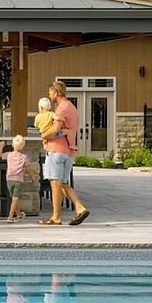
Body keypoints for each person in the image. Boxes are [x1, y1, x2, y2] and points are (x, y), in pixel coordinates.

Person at [41, 81, 90, 226]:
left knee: (55, 184)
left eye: (50, 92)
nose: (49, 95)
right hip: (68, 151)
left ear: (57, 93)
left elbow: (55, 129)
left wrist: (44, 135)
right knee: (62, 183)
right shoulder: (72, 107)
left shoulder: (62, 108)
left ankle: (56, 217)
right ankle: (80, 208)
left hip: (57, 151)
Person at [0, 135, 37, 223]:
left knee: (14, 199)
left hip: (9, 180)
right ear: (23, 146)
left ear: (12, 145)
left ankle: (18, 215)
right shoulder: (24, 157)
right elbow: (28, 168)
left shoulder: (8, 155)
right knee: (15, 199)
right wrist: (33, 176)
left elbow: (0, 155)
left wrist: (1, 146)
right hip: (18, 180)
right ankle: (10, 216)